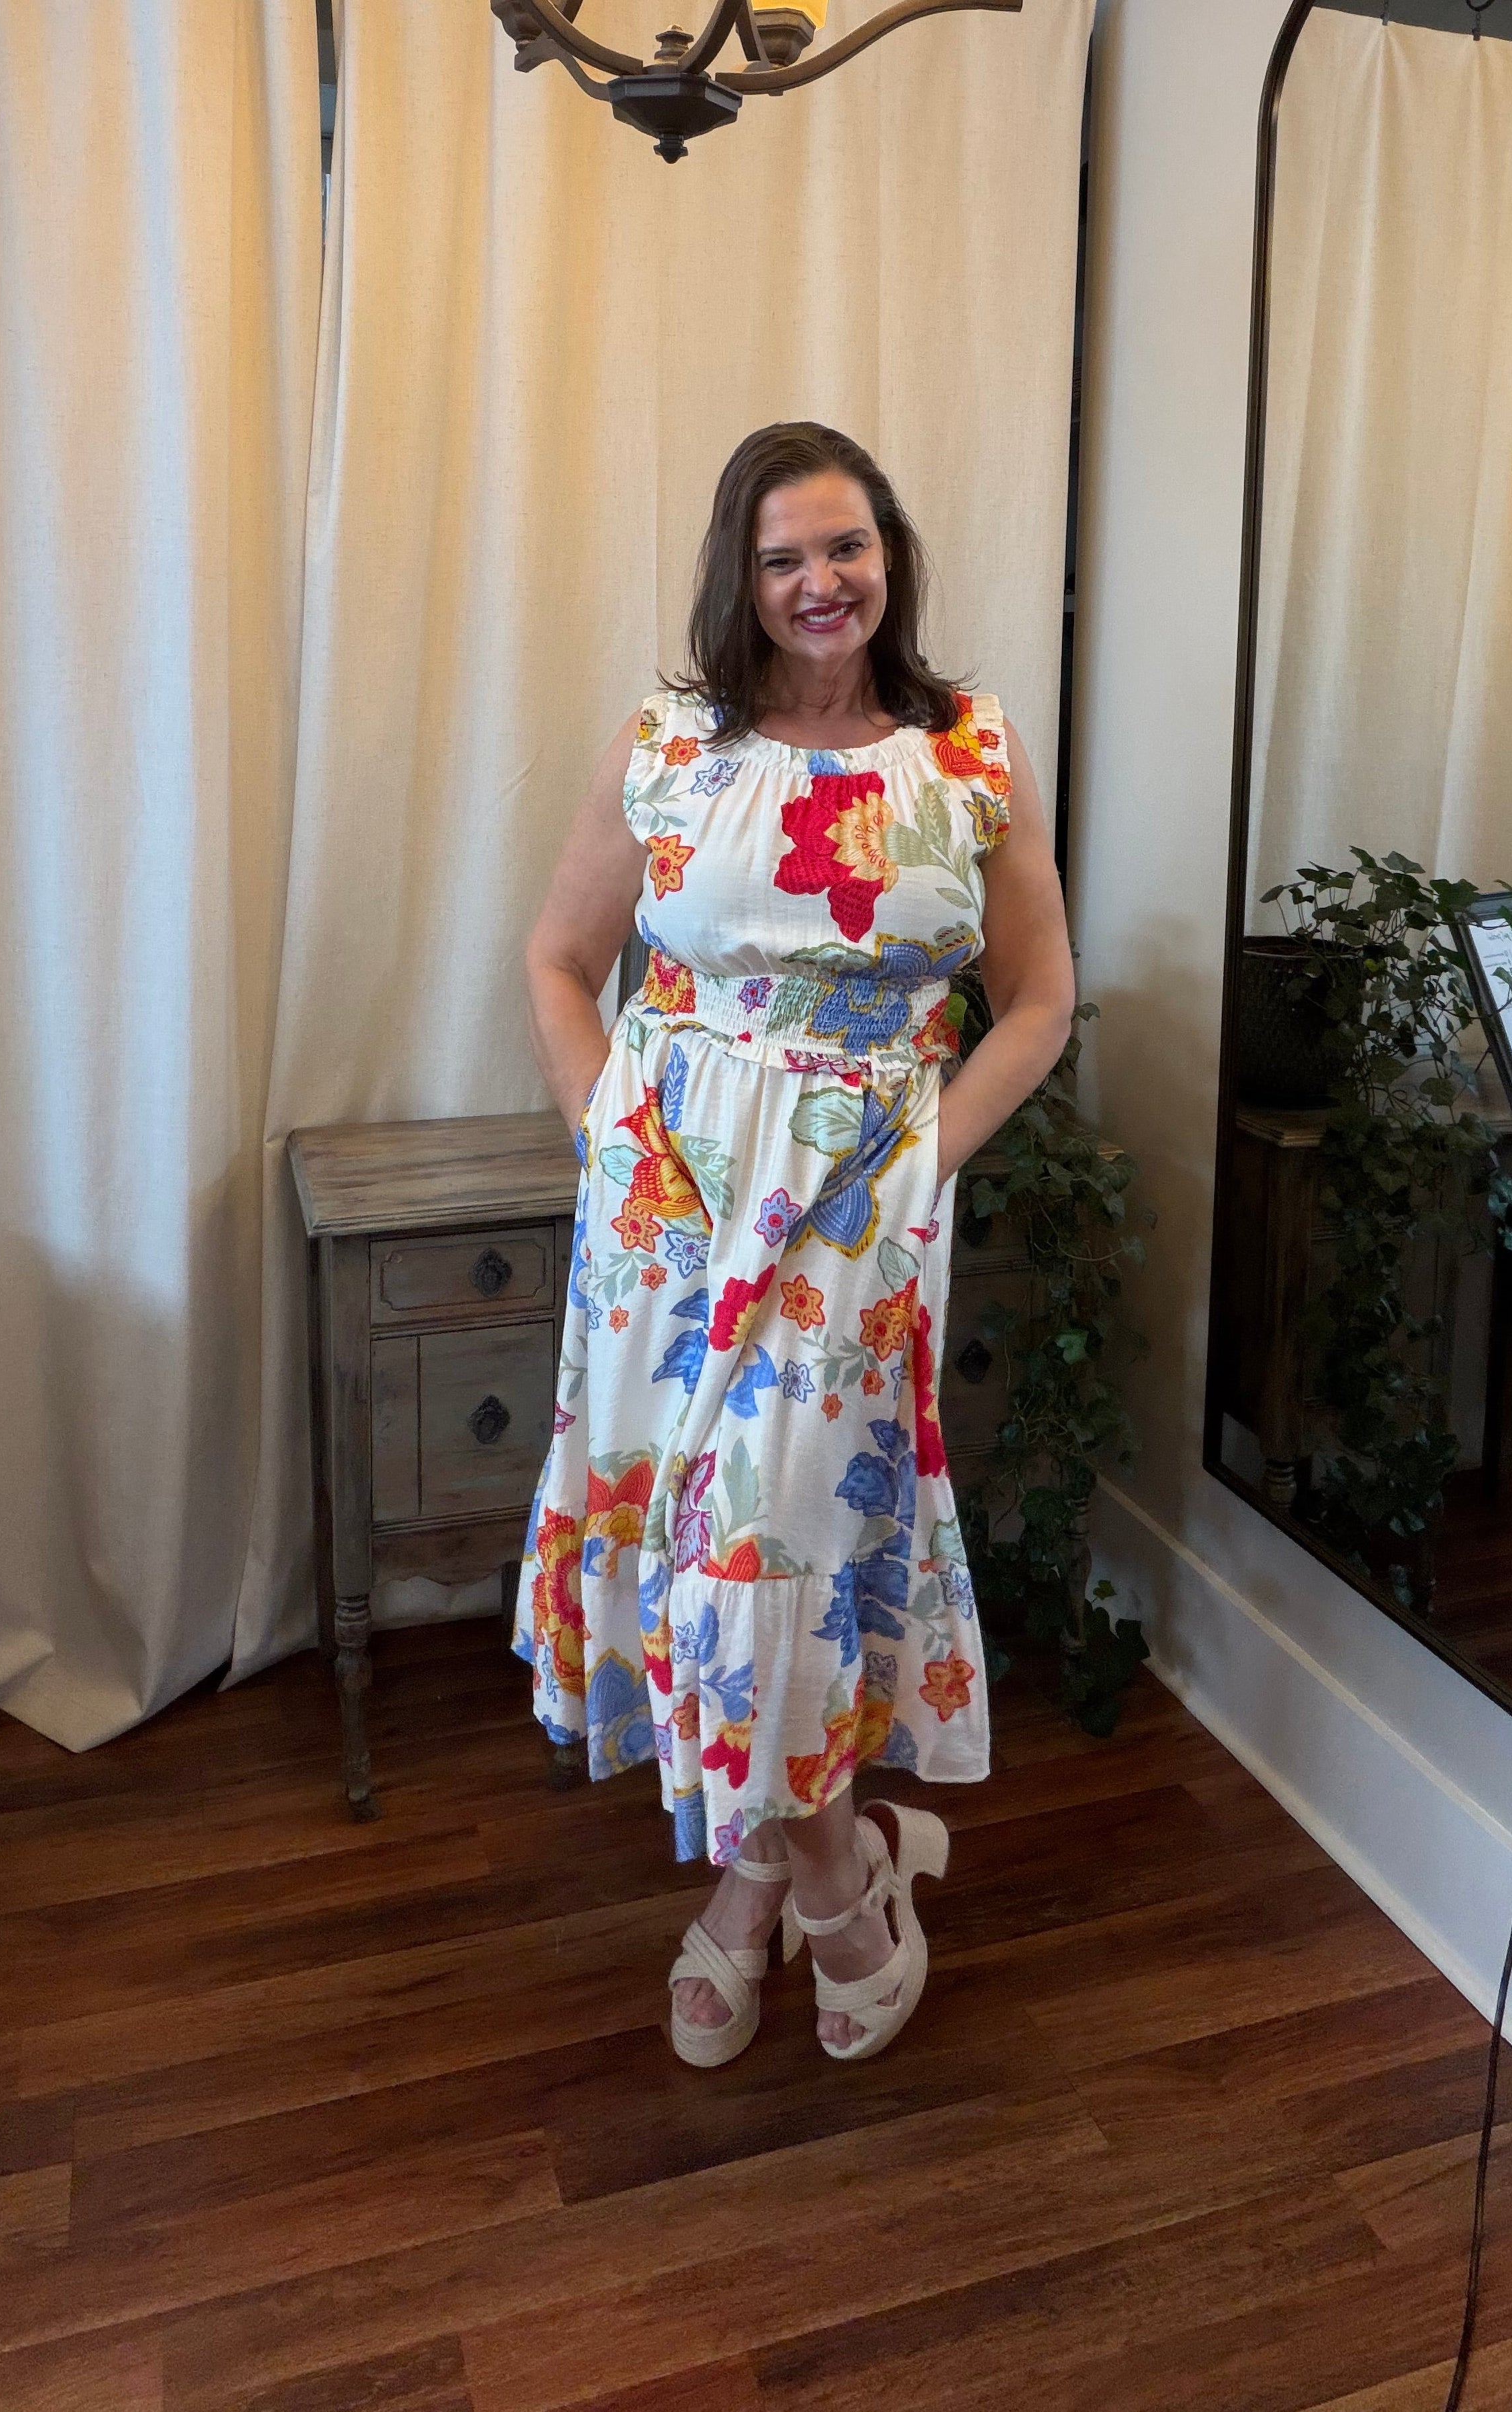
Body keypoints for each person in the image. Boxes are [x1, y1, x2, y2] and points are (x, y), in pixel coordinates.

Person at [514, 422, 1076, 2063]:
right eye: (782, 559)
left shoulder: (969, 751)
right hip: (666, 1211)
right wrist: (610, 1137)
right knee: (700, 1539)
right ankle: (816, 1868)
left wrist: (929, 1160)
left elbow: (1036, 999)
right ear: (739, 580)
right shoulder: (672, 744)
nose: (819, 583)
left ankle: (799, 1893)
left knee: (785, 1550)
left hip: (858, 1209)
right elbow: (558, 963)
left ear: (887, 554)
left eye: (845, 547)